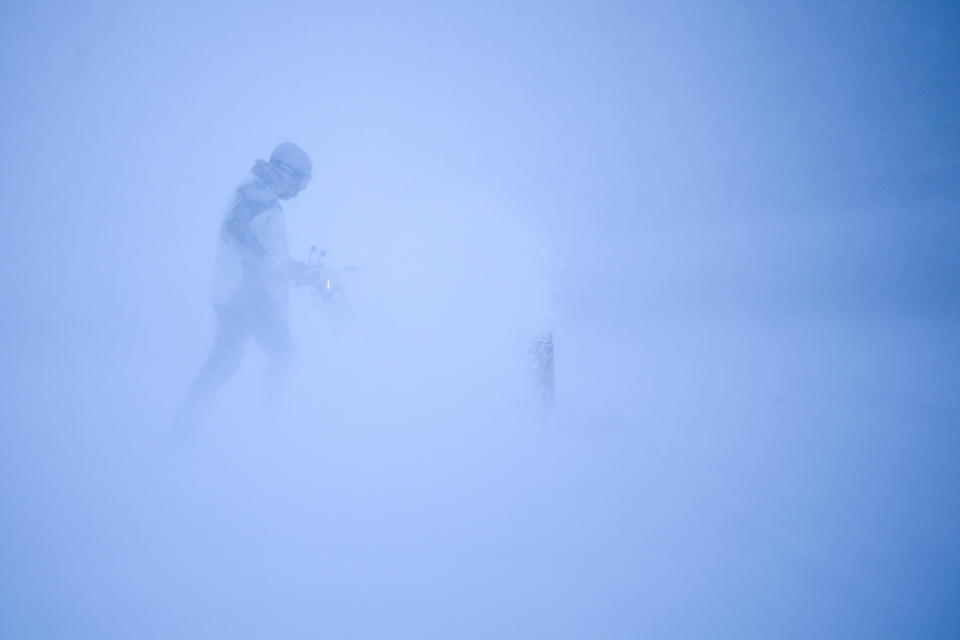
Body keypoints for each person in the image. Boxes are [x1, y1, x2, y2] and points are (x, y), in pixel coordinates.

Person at [177, 142, 314, 425]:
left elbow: (263, 246)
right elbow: (237, 233)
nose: (301, 189)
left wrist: (292, 269)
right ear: (286, 172)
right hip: (246, 296)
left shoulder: (259, 191)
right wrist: (279, 267)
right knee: (272, 356)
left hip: (249, 294)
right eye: (301, 180)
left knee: (241, 360)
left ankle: (192, 421)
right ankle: (265, 423)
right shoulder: (257, 193)